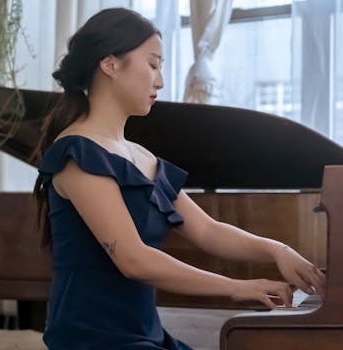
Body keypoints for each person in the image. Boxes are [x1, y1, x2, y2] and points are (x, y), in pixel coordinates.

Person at [31, 7, 326, 349]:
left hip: (144, 333)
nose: (160, 81)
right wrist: (239, 287)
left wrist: (278, 249)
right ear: (110, 65)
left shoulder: (142, 158)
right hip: (93, 336)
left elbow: (206, 230)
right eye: (153, 64)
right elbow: (133, 259)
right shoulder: (77, 154)